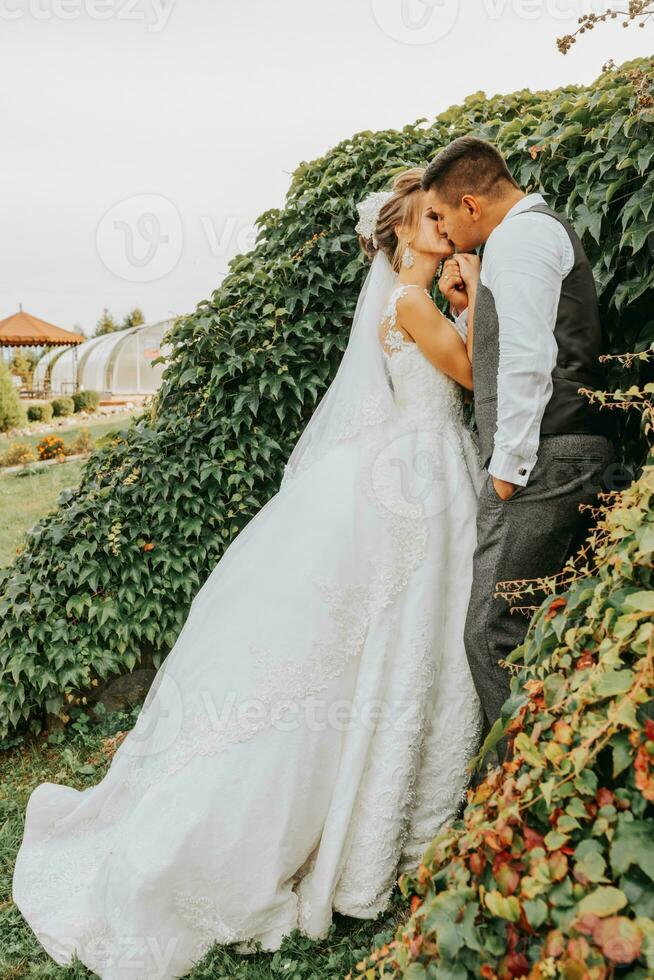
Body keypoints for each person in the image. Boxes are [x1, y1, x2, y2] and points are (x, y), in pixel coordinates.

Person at [12, 167, 485, 980]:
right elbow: (474, 375)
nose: (443, 226)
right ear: (403, 232)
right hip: (417, 480)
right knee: (396, 638)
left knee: (404, 642)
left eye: (446, 218)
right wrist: (471, 294)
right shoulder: (411, 302)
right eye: (430, 219)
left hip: (417, 472)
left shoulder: (405, 302)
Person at [423, 136, 616, 761]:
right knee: (531, 630)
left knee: (491, 632)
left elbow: (530, 362)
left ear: (472, 204)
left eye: (446, 217)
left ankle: (519, 791)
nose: (446, 234)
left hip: (545, 457)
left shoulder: (520, 239)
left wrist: (506, 472)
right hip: (560, 451)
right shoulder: (519, 240)